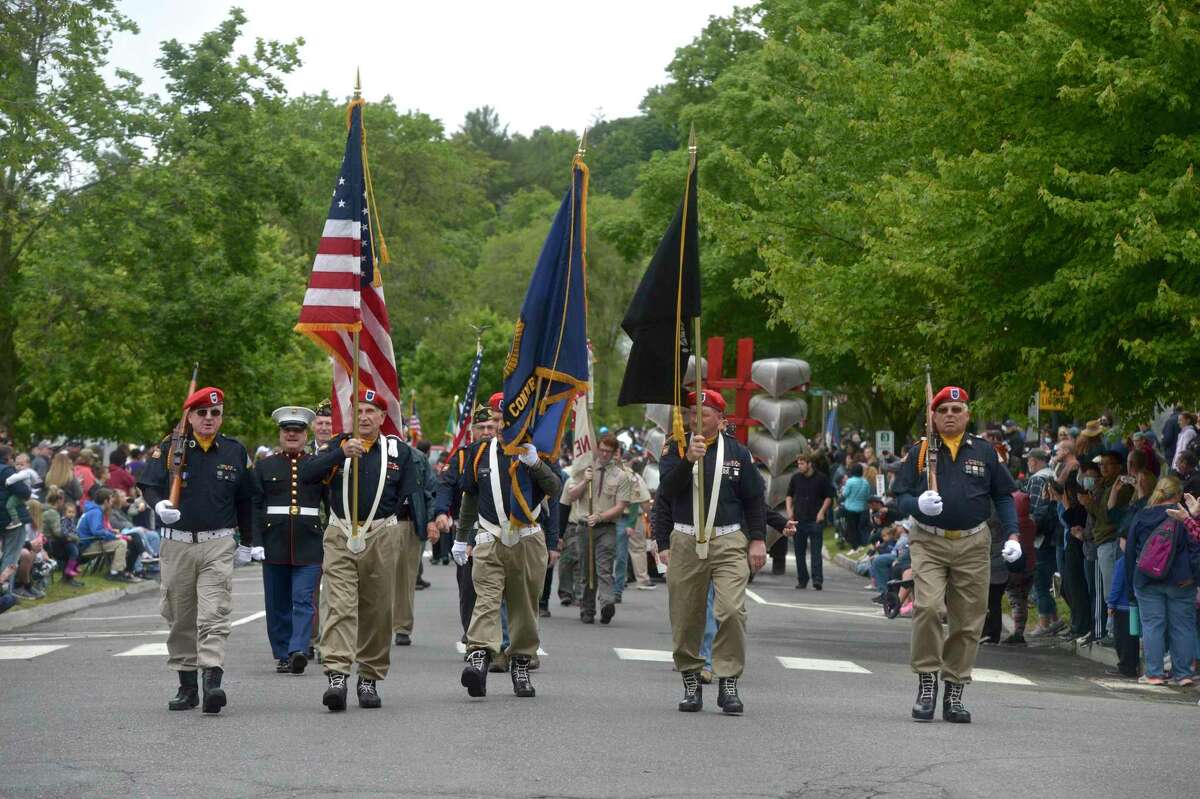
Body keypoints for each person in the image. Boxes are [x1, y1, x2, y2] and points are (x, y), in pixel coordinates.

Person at [892, 385, 1020, 724]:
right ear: (932, 416)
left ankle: (955, 689)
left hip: (973, 543)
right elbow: (899, 496)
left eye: (957, 410)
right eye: (943, 410)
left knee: (968, 619)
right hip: (929, 541)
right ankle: (927, 682)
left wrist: (1013, 534)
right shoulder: (920, 452)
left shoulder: (985, 451)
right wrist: (916, 504)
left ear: (968, 414)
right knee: (929, 608)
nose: (950, 415)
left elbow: (1004, 496)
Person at [299, 388, 419, 711]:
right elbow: (307, 475)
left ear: (383, 417)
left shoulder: (399, 452)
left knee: (378, 609)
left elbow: (412, 492)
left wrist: (425, 525)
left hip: (381, 534)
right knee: (339, 604)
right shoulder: (336, 445)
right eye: (359, 412)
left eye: (371, 412)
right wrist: (340, 454)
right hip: (340, 532)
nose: (364, 417)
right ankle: (337, 674)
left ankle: (369, 675)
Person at [138, 386, 254, 715]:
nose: (208, 418)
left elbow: (246, 498)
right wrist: (158, 504)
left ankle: (212, 683)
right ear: (189, 416)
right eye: (201, 412)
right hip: (176, 543)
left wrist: (247, 540)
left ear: (221, 417)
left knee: (214, 613)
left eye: (214, 413)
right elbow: (149, 484)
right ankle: (187, 687)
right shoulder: (171, 447)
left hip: (217, 542)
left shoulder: (234, 451)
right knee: (179, 616)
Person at [656, 389, 766, 715]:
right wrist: (687, 458)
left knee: (731, 609)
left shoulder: (738, 453)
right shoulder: (675, 448)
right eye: (692, 413)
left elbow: (754, 499)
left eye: (703, 413)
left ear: (720, 417)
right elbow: (666, 493)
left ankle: (728, 678)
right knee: (686, 616)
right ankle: (691, 679)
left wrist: (758, 539)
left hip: (728, 539)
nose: (696, 418)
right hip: (686, 538)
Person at [454, 418, 561, 699]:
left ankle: (521, 664)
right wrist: (460, 538)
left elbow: (556, 488)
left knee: (524, 606)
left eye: (507, 421)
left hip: (527, 537)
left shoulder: (538, 450)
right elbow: (470, 498)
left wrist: (535, 464)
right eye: (498, 421)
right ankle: (479, 657)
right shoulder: (479, 453)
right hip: (489, 539)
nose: (501, 427)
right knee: (486, 600)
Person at [251, 406, 323, 675]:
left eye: (298, 431)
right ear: (280, 434)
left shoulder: (316, 465)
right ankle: (283, 653)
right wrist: (255, 541)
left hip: (309, 542)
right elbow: (256, 505)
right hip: (274, 542)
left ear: (306, 435)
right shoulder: (265, 466)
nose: (292, 435)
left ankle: (298, 649)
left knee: (304, 598)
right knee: (277, 601)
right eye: (287, 430)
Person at [1128, 478, 1198, 685]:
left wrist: (1131, 584)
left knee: (1152, 626)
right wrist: (1195, 578)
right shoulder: (1184, 518)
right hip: (1182, 581)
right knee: (1183, 626)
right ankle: (1184, 674)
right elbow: (1195, 548)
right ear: (1178, 495)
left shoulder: (1141, 516)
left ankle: (1154, 674)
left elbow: (1131, 552)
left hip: (1147, 580)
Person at [562, 433, 632, 624]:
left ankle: (607, 603)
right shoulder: (585, 470)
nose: (604, 454)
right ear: (596, 449)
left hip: (606, 527)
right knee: (586, 570)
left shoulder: (622, 476)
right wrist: (585, 481)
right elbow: (572, 496)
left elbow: (620, 506)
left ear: (615, 452)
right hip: (584, 527)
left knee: (604, 567)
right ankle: (587, 609)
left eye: (609, 452)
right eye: (601, 450)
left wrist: (600, 516)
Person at [392, 433, 435, 647]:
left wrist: (431, 520)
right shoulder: (366, 453)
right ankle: (370, 627)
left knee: (405, 579)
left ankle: (402, 627)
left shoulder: (417, 457)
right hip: (373, 524)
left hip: (406, 522)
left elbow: (430, 491)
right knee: (370, 577)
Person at [785, 453, 835, 590]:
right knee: (799, 552)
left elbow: (829, 497)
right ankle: (802, 579)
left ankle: (817, 579)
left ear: (809, 464)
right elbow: (789, 495)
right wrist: (789, 510)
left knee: (815, 551)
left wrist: (821, 512)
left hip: (815, 519)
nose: (799, 466)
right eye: (798, 464)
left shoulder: (821, 479)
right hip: (798, 519)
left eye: (802, 463)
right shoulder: (795, 478)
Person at [840, 464, 871, 548]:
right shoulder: (866, 482)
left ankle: (855, 545)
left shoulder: (850, 481)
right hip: (862, 507)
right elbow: (868, 495)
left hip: (850, 508)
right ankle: (863, 543)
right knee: (861, 526)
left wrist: (842, 491)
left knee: (852, 527)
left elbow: (845, 494)